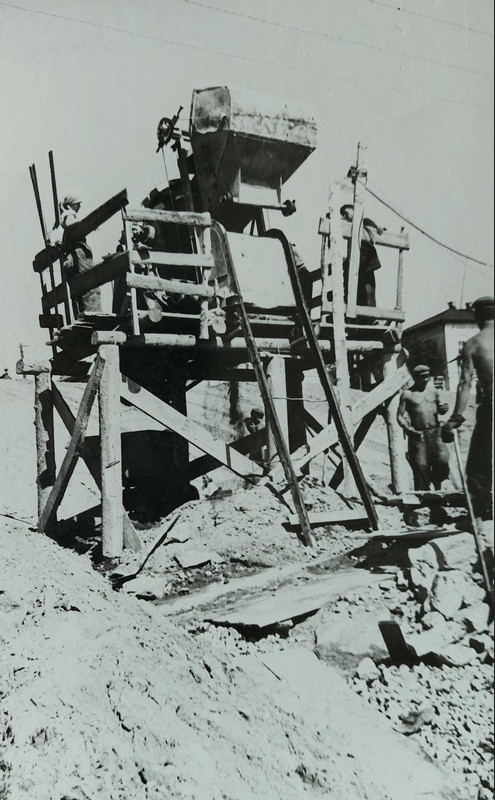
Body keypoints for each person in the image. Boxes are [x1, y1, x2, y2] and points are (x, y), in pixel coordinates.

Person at [442, 297, 493, 524]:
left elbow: (465, 383)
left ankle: (480, 515)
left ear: (477, 316)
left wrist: (455, 417)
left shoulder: (473, 344)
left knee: (479, 465)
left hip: (492, 407)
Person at [397, 364, 450, 490]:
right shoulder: (407, 394)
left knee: (442, 460)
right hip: (418, 434)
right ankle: (424, 495)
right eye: (423, 377)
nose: (426, 379)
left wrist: (444, 408)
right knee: (421, 465)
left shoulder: (434, 392)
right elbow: (399, 416)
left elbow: (441, 409)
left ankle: (438, 488)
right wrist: (408, 429)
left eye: (427, 376)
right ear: (415, 377)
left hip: (435, 432)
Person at [59, 194, 101, 313]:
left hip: (74, 258)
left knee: (80, 290)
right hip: (78, 258)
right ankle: (91, 313)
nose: (79, 206)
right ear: (70, 205)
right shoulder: (68, 215)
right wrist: (88, 224)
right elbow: (70, 223)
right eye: (77, 204)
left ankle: (84, 313)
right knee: (89, 287)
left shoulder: (68, 216)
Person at [340, 204, 384, 307]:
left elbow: (371, 225)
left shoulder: (364, 222)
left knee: (369, 293)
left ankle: (370, 314)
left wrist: (378, 228)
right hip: (356, 265)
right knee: (356, 294)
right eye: (344, 216)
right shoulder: (349, 228)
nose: (346, 216)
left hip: (366, 263)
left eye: (347, 213)